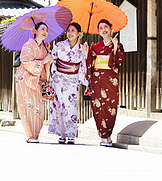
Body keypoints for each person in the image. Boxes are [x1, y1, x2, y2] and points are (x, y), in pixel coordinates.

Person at [48, 22, 89, 144]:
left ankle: (71, 134)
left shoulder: (82, 48)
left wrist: (86, 55)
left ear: (79, 34)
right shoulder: (59, 45)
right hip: (59, 79)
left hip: (72, 80)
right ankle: (61, 134)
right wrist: (51, 76)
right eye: (68, 30)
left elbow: (83, 64)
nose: (70, 33)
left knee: (71, 107)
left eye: (73, 30)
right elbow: (52, 60)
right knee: (59, 106)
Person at [86, 19, 125, 147]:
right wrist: (87, 53)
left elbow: (118, 60)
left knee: (110, 107)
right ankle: (103, 136)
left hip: (110, 81)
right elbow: (89, 63)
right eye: (101, 27)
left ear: (111, 29)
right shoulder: (94, 46)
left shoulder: (118, 45)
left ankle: (108, 134)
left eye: (106, 27)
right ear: (99, 31)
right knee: (98, 107)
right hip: (97, 81)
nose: (104, 29)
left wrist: (114, 46)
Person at [14, 22, 53, 143]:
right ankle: (30, 134)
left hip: (37, 80)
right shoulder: (28, 45)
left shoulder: (44, 46)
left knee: (38, 106)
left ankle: (36, 133)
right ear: (34, 31)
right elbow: (25, 60)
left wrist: (48, 58)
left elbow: (46, 62)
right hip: (25, 79)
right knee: (27, 105)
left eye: (46, 29)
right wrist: (43, 61)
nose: (45, 31)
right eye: (42, 29)